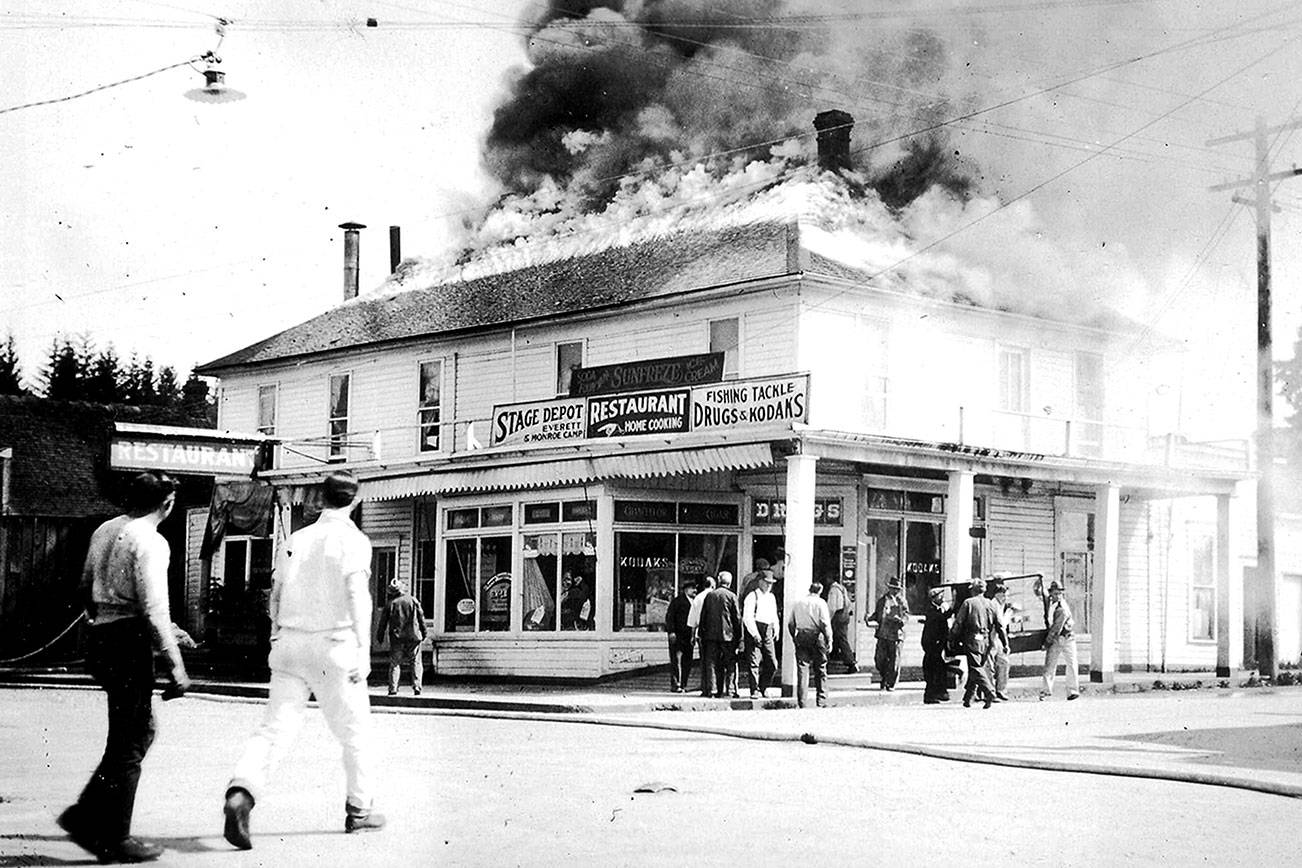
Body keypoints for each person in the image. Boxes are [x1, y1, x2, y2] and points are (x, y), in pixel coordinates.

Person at [222, 471, 385, 851]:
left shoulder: (296, 539)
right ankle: (359, 809)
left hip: (290, 644)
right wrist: (363, 651)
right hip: (335, 644)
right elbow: (358, 596)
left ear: (319, 499)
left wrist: (277, 630)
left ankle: (242, 792)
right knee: (355, 731)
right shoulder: (354, 541)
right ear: (354, 501)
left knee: (275, 728)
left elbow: (274, 593)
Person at [59, 471, 188, 864]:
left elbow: (84, 586)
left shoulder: (106, 529)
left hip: (103, 635)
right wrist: (175, 665)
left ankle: (85, 813)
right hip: (129, 641)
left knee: (138, 731)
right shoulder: (151, 541)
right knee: (131, 740)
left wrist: (105, 618)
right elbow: (152, 607)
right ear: (166, 503)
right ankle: (115, 836)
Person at [950, 577, 1006, 709]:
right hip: (986, 640)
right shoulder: (991, 603)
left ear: (973, 590)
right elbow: (1000, 625)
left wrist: (951, 638)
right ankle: (969, 697)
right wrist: (1005, 643)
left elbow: (958, 623)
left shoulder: (968, 603)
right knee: (977, 666)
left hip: (972, 639)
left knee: (975, 667)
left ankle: (989, 691)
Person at [786, 581, 833, 708]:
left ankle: (802, 702)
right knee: (821, 668)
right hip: (817, 636)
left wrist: (794, 637)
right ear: (820, 591)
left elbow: (790, 623)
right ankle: (821, 701)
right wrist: (830, 639)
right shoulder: (821, 603)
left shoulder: (799, 602)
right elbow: (824, 623)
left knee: (802, 669)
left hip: (802, 635)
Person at [376, 578, 427, 696]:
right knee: (415, 662)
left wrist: (380, 636)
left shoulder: (390, 604)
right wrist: (424, 633)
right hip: (413, 636)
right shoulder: (413, 600)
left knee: (395, 663)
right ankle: (417, 686)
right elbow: (421, 618)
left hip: (397, 638)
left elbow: (383, 622)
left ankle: (393, 688)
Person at [697, 570, 742, 699]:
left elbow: (703, 616)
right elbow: (737, 618)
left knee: (712, 663)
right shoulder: (732, 596)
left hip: (711, 636)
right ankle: (730, 690)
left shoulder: (710, 596)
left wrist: (701, 633)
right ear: (730, 582)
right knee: (730, 663)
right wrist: (739, 637)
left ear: (718, 580)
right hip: (728, 636)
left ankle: (713, 690)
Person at [741, 570, 779, 699]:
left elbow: (774, 615)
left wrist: (776, 629)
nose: (769, 586)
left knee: (772, 662)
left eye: (771, 583)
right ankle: (754, 689)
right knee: (754, 661)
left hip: (768, 628)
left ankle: (764, 686)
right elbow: (747, 617)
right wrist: (755, 634)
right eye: (766, 583)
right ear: (760, 582)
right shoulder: (752, 596)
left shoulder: (771, 597)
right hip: (755, 628)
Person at [1041, 581, 1081, 701]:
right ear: (1051, 593)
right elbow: (1042, 596)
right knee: (1050, 665)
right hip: (1059, 637)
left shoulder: (1062, 608)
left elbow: (1056, 628)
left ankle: (1073, 691)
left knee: (1072, 663)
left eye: (1059, 593)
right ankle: (1046, 691)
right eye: (1055, 593)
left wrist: (1047, 642)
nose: (1057, 595)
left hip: (1064, 637)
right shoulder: (1050, 603)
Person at [868, 577, 909, 690]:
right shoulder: (882, 600)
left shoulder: (901, 601)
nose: (895, 591)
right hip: (882, 634)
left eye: (897, 589)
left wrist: (901, 620)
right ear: (889, 588)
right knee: (879, 659)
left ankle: (891, 683)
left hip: (896, 634)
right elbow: (877, 614)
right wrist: (869, 618)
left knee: (894, 660)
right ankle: (885, 677)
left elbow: (906, 615)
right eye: (893, 588)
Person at [921, 587, 954, 704]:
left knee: (937, 669)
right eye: (940, 596)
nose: (943, 598)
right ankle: (931, 695)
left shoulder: (938, 609)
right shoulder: (931, 610)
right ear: (934, 598)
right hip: (932, 644)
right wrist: (951, 609)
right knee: (933, 670)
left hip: (936, 645)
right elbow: (940, 619)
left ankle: (937, 693)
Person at [665, 582, 695, 693]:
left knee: (687, 661)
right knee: (676, 661)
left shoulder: (694, 602)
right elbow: (670, 617)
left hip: (688, 637)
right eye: (692, 588)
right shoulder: (677, 601)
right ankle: (676, 684)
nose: (694, 590)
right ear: (686, 589)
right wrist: (671, 631)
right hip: (677, 636)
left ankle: (684, 684)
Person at [825, 573, 858, 673]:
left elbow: (832, 606)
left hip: (838, 617)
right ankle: (833, 659)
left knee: (841, 639)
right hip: (844, 616)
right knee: (839, 639)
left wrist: (827, 618)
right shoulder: (841, 588)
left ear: (830, 578)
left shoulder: (833, 590)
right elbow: (848, 603)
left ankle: (851, 663)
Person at [687, 575, 714, 693]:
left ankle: (705, 687)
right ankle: (713, 686)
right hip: (714, 632)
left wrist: (692, 635)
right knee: (714, 660)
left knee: (704, 661)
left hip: (700, 633)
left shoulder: (698, 598)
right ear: (713, 585)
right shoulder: (715, 596)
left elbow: (692, 620)